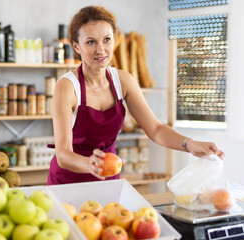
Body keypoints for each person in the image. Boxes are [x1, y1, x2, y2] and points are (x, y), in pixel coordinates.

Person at [47, 6, 224, 185]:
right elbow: (63, 154)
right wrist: (89, 164)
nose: (101, 50)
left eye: (106, 40)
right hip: (68, 181)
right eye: (91, 42)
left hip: (108, 179)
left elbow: (155, 129)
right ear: (76, 46)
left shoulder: (123, 81)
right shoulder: (67, 87)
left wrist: (190, 144)